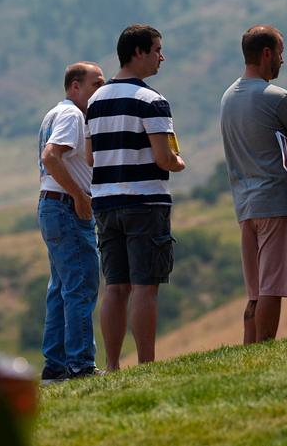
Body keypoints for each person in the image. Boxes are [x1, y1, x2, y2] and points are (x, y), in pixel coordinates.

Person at [86, 24, 185, 370]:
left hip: (105, 202)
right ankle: (146, 364)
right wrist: (179, 162)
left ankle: (112, 365)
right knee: (145, 286)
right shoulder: (152, 101)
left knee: (114, 287)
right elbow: (164, 158)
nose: (162, 57)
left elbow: (89, 157)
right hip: (144, 201)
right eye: (157, 49)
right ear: (139, 52)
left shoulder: (95, 102)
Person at [220, 25, 287, 344]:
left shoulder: (227, 97)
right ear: (266, 54)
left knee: (255, 289)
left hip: (245, 206)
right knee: (272, 287)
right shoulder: (277, 98)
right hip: (276, 202)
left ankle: (249, 348)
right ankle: (265, 348)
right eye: (280, 53)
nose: (282, 61)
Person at [36, 61, 106, 384]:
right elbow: (51, 157)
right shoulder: (72, 115)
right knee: (80, 284)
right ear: (75, 87)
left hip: (51, 207)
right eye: (96, 84)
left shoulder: (54, 113)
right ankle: (79, 365)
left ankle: (55, 365)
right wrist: (79, 195)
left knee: (61, 287)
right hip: (65, 208)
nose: (100, 90)